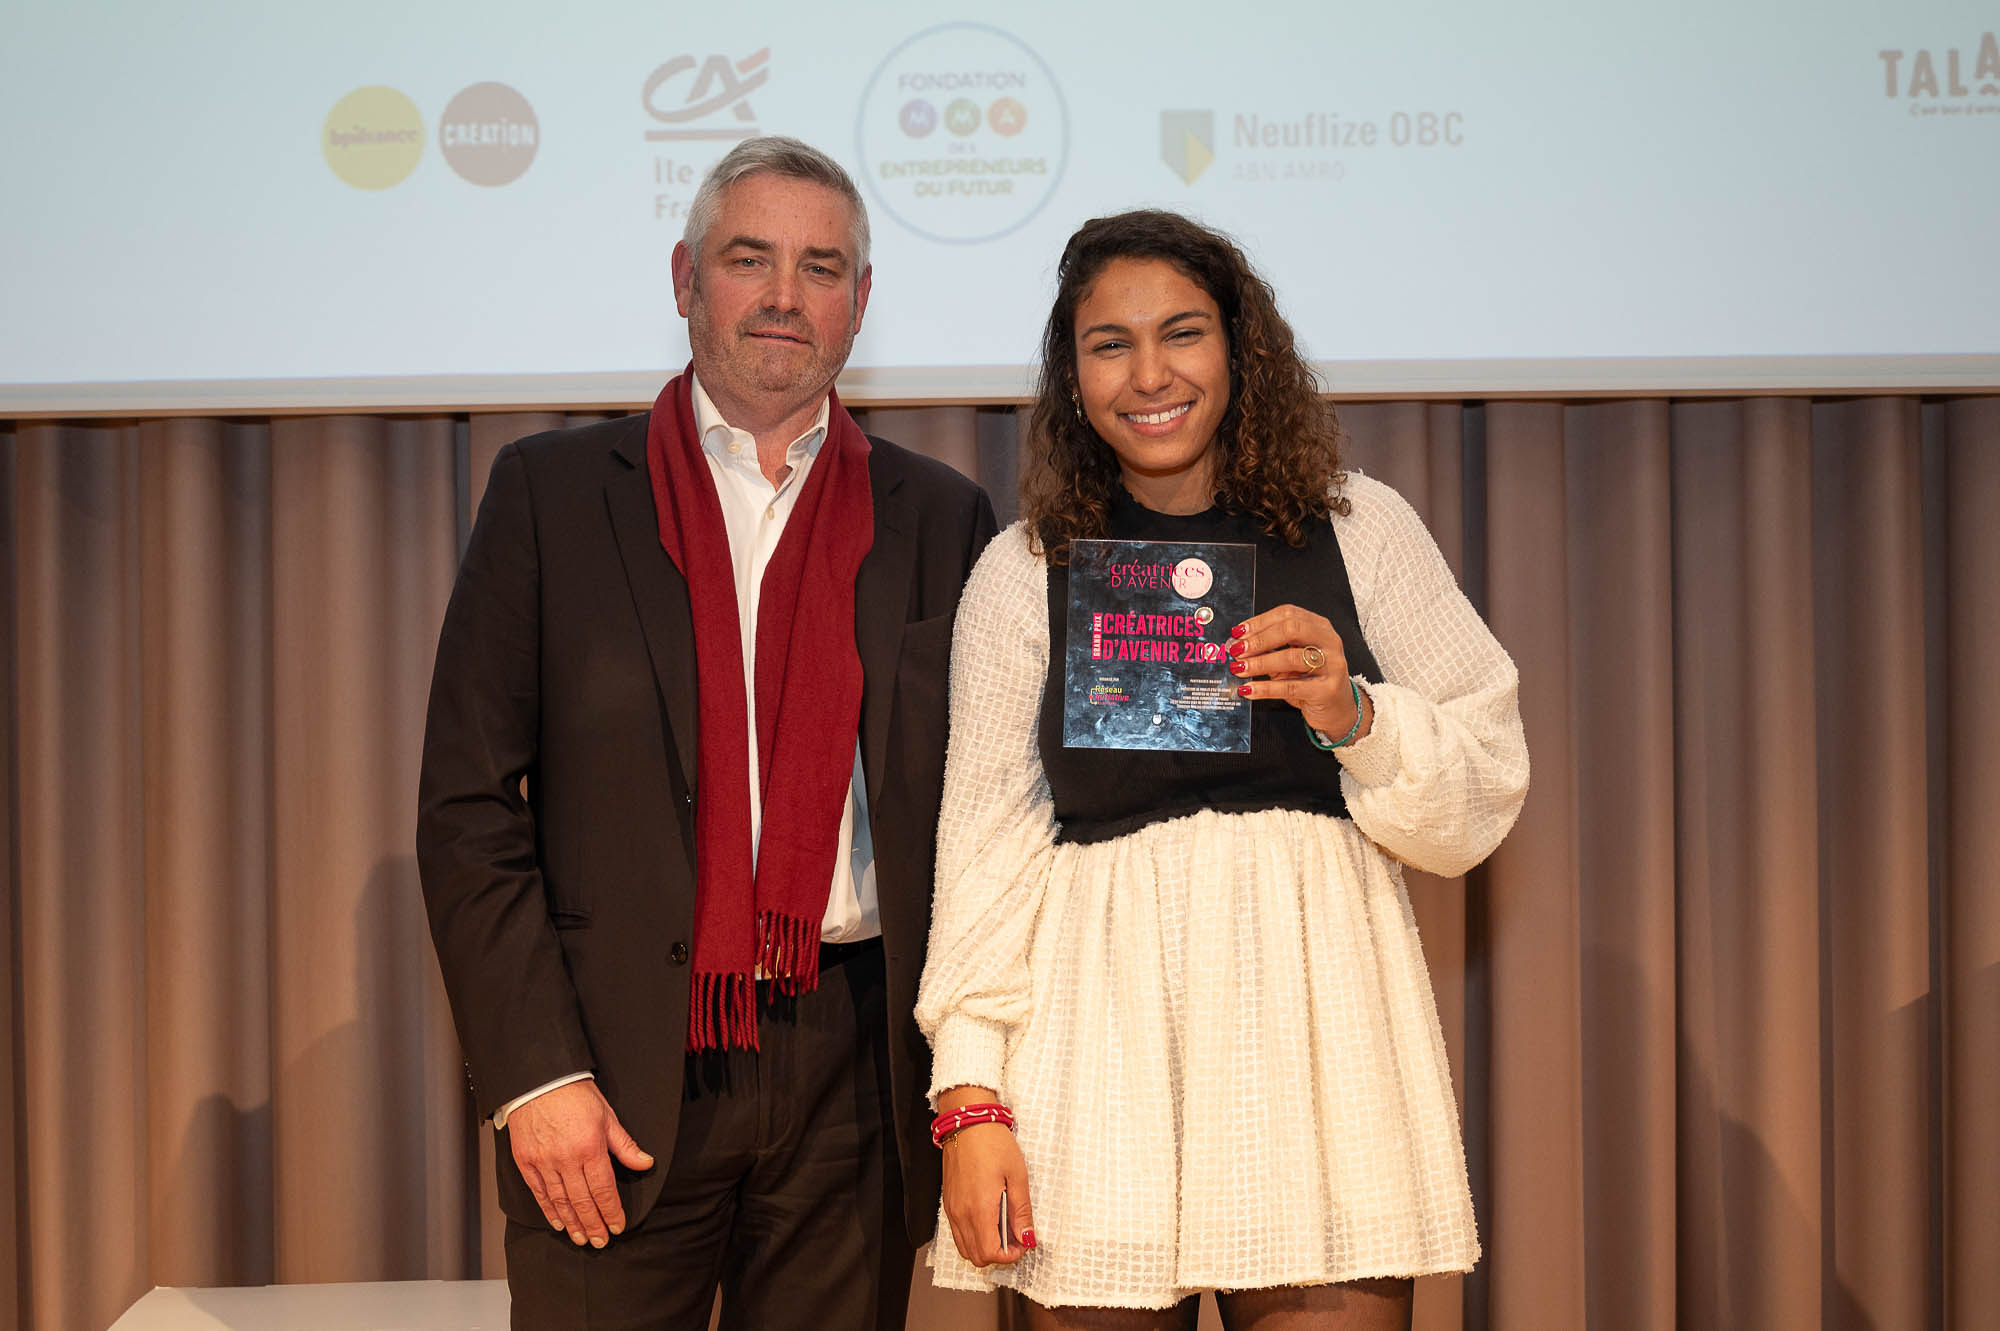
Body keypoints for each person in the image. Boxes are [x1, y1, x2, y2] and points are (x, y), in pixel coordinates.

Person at [417, 136, 996, 1331]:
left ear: (861, 302)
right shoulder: (553, 495)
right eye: (750, 258)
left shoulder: (942, 516)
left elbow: (981, 813)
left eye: (821, 266)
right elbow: (468, 807)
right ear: (685, 277)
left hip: (854, 1074)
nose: (785, 295)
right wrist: (537, 1072)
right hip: (612, 1066)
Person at [914, 210, 1529, 1330]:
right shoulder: (1022, 571)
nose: (1148, 373)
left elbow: (1481, 788)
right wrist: (969, 1099)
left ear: (1239, 349)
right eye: (1108, 343)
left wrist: (1356, 716)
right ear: (1071, 373)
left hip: (1318, 1045)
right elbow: (983, 848)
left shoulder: (1360, 528)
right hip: (1094, 1056)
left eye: (1181, 333)